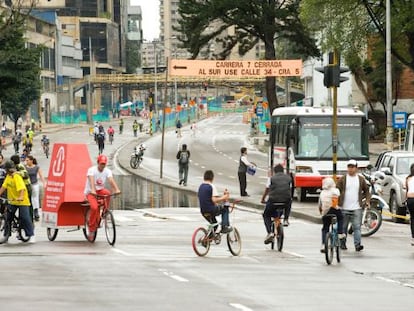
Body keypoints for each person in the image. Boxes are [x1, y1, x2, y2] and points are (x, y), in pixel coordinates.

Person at [336, 159, 370, 252]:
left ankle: (357, 245)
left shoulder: (360, 179)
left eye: (352, 167)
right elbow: (336, 190)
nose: (350, 169)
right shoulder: (343, 179)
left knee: (357, 227)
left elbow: (366, 190)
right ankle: (342, 243)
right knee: (343, 227)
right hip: (344, 207)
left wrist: (367, 201)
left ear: (356, 168)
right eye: (349, 167)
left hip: (357, 207)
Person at [83, 154, 121, 239]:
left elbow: (111, 180)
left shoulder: (107, 171)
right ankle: (92, 229)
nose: (102, 166)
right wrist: (93, 190)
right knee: (94, 208)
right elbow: (91, 180)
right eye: (101, 164)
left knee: (107, 193)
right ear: (98, 163)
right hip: (90, 192)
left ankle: (105, 212)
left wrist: (117, 189)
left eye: (104, 164)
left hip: (100, 190)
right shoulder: (91, 170)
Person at [0, 160, 35, 243]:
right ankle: (6, 235)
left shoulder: (17, 177)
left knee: (25, 217)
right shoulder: (8, 177)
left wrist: (21, 197)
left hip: (22, 201)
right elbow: (3, 187)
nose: (6, 171)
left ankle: (30, 234)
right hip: (12, 201)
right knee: (8, 218)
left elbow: (22, 188)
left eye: (6, 169)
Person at [260, 164, 293, 244]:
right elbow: (291, 188)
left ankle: (270, 233)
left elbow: (267, 189)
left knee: (266, 215)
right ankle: (286, 219)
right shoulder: (288, 178)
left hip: (273, 200)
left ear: (274, 171)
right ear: (283, 171)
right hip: (285, 201)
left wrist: (263, 199)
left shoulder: (271, 178)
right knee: (289, 202)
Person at [318, 177, 345, 253]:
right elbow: (336, 201)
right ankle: (340, 233)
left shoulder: (322, 193)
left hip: (325, 212)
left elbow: (320, 205)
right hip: (334, 210)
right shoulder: (336, 191)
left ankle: (323, 244)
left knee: (325, 228)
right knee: (341, 218)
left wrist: (322, 213)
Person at [25, 156, 46, 222]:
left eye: (28, 160)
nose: (26, 161)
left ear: (31, 160)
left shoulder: (37, 167)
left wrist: (44, 183)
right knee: (28, 198)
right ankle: (29, 212)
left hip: (34, 184)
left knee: (35, 198)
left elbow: (41, 175)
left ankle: (36, 212)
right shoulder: (24, 167)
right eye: (26, 160)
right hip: (27, 185)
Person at [405, 163, 414, 246]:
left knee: (412, 218)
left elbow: (407, 190)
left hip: (410, 199)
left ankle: (413, 237)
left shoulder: (408, 178)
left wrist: (406, 200)